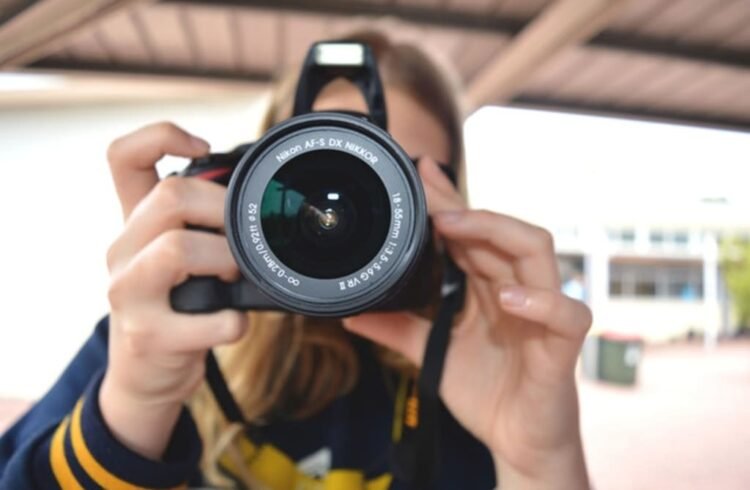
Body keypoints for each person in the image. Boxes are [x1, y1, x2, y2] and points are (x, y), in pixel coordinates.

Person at [0, 31, 592, 489]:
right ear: (245, 186)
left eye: (393, 185)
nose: (350, 222)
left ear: (447, 207)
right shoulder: (165, 336)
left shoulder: (477, 376)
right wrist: (135, 405)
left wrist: (541, 464)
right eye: (322, 172)